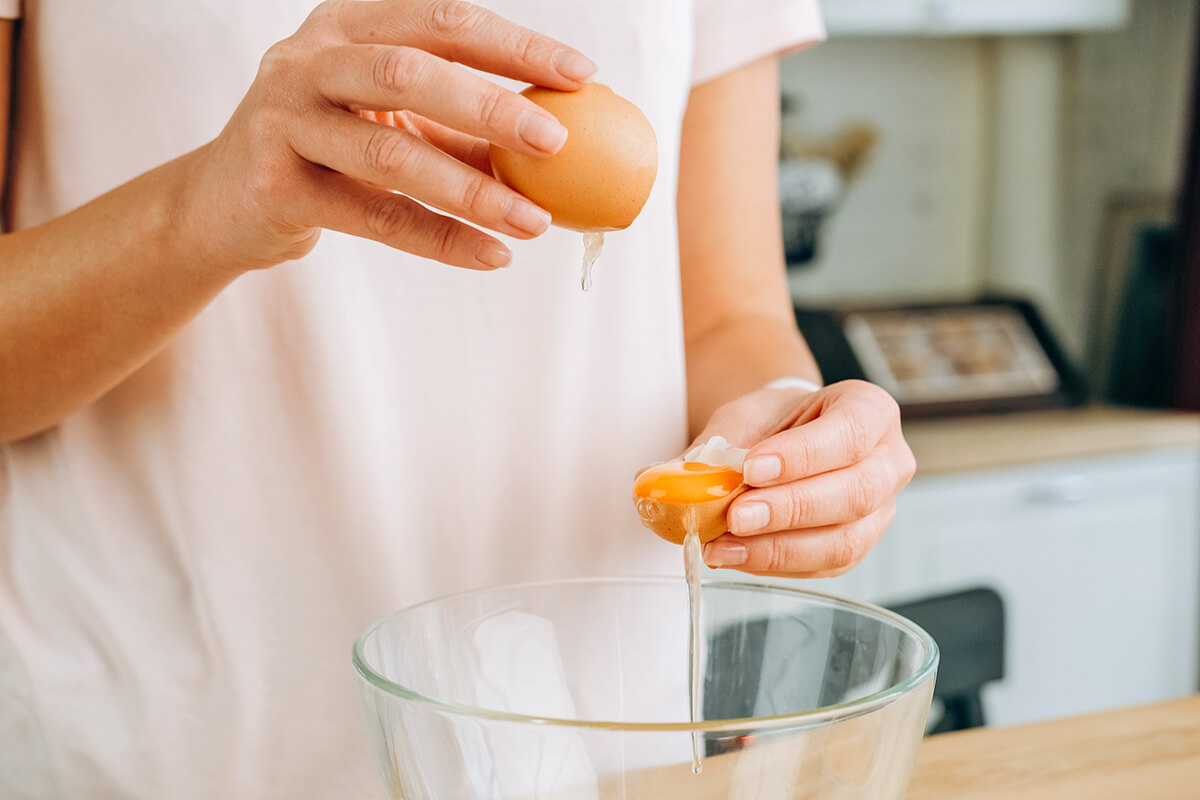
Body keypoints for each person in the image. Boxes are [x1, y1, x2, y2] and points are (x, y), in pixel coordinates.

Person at [0, 0, 915, 796]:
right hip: (166, 746)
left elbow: (728, 315)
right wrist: (207, 203)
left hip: (595, 747)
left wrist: (787, 421)